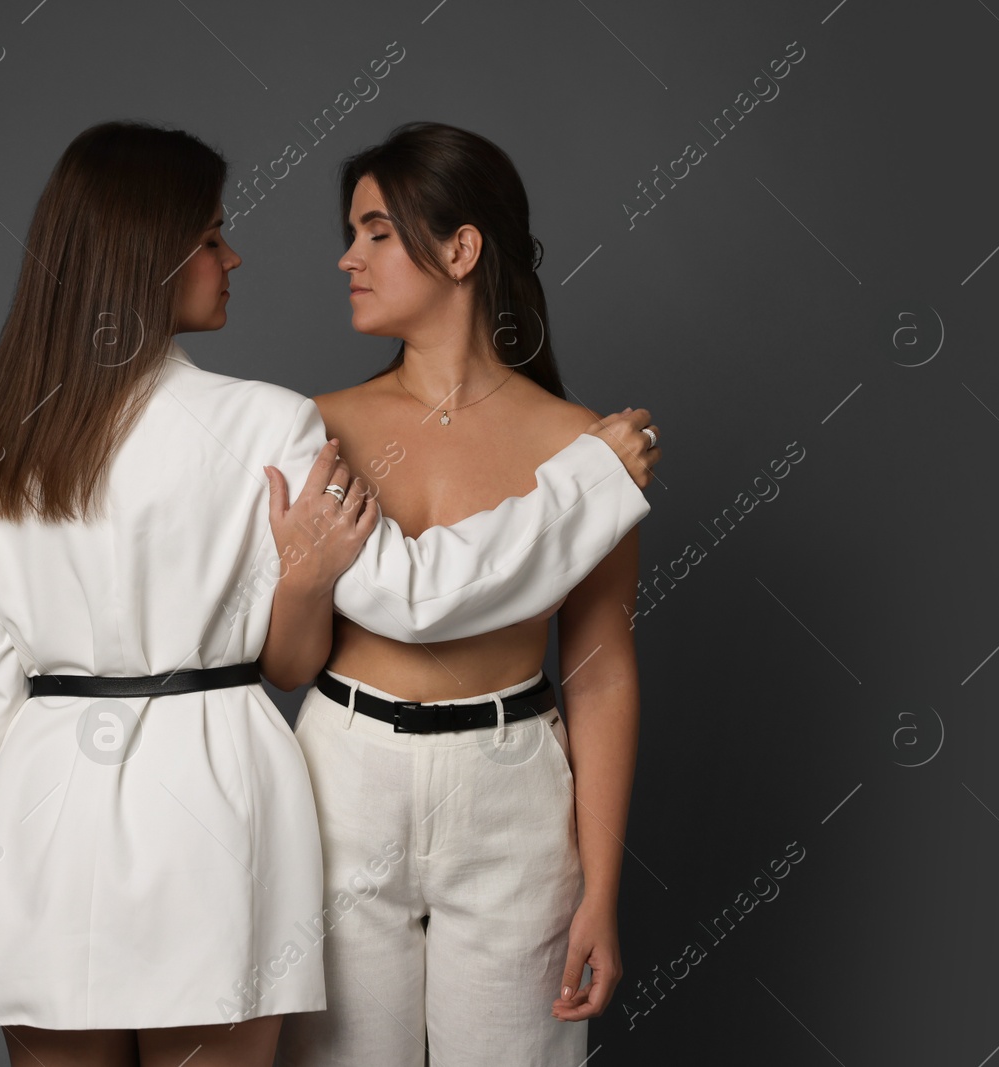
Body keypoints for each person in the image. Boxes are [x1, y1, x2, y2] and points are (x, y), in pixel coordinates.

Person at [0, 120, 660, 1067]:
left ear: (464, 250)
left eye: (377, 231)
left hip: (38, 816)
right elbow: (414, 597)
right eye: (215, 233)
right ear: (156, 253)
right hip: (228, 794)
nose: (239, 253)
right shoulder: (272, 421)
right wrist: (591, 484)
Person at [275, 122, 657, 1067]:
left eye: (373, 231)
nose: (346, 258)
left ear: (461, 247)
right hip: (340, 781)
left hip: (512, 789)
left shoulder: (585, 447)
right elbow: (285, 661)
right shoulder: (318, 426)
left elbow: (601, 676)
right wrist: (300, 581)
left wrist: (602, 891)